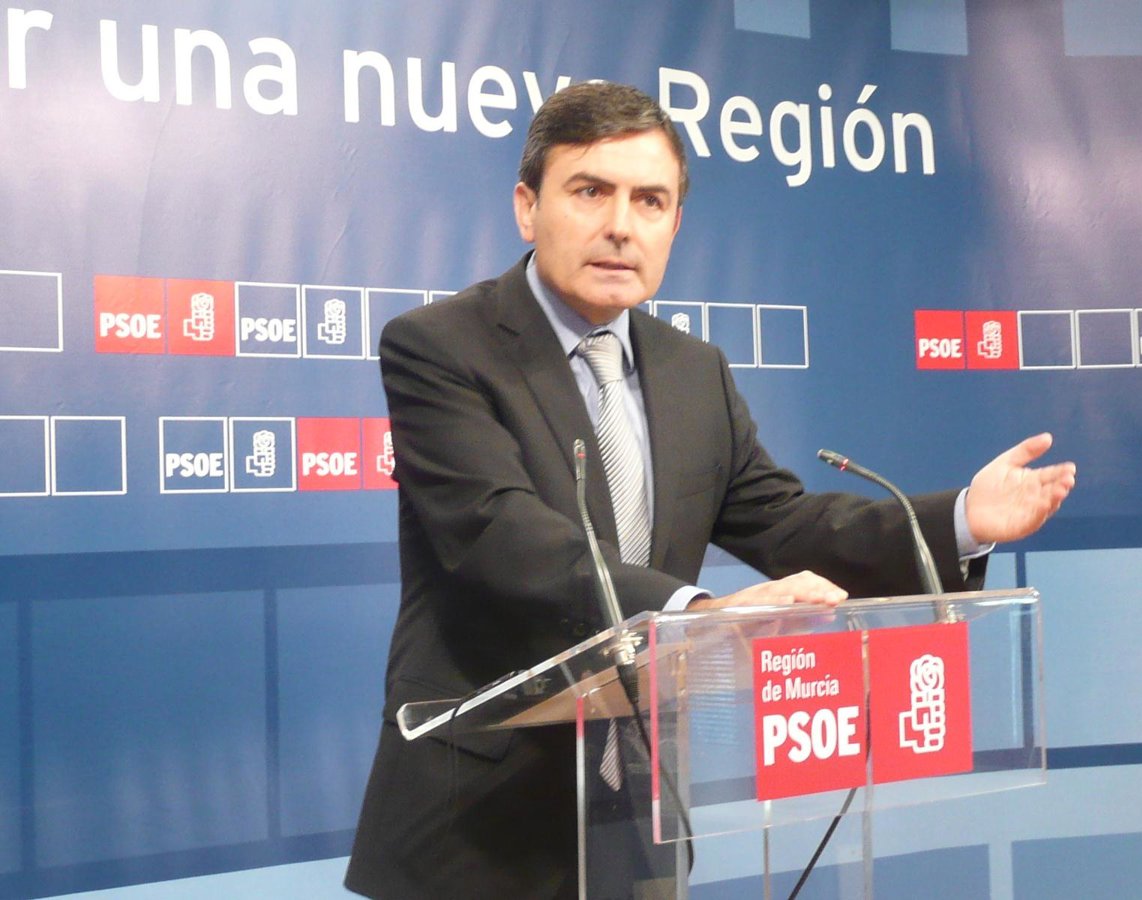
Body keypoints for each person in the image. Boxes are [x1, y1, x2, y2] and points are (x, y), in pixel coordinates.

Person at [344, 81, 1075, 899]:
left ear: (674, 225)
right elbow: (498, 535)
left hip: (635, 826)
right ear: (527, 207)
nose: (621, 225)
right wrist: (695, 616)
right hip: (471, 832)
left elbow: (787, 525)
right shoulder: (442, 347)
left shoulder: (694, 371)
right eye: (590, 191)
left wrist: (962, 522)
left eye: (650, 201)